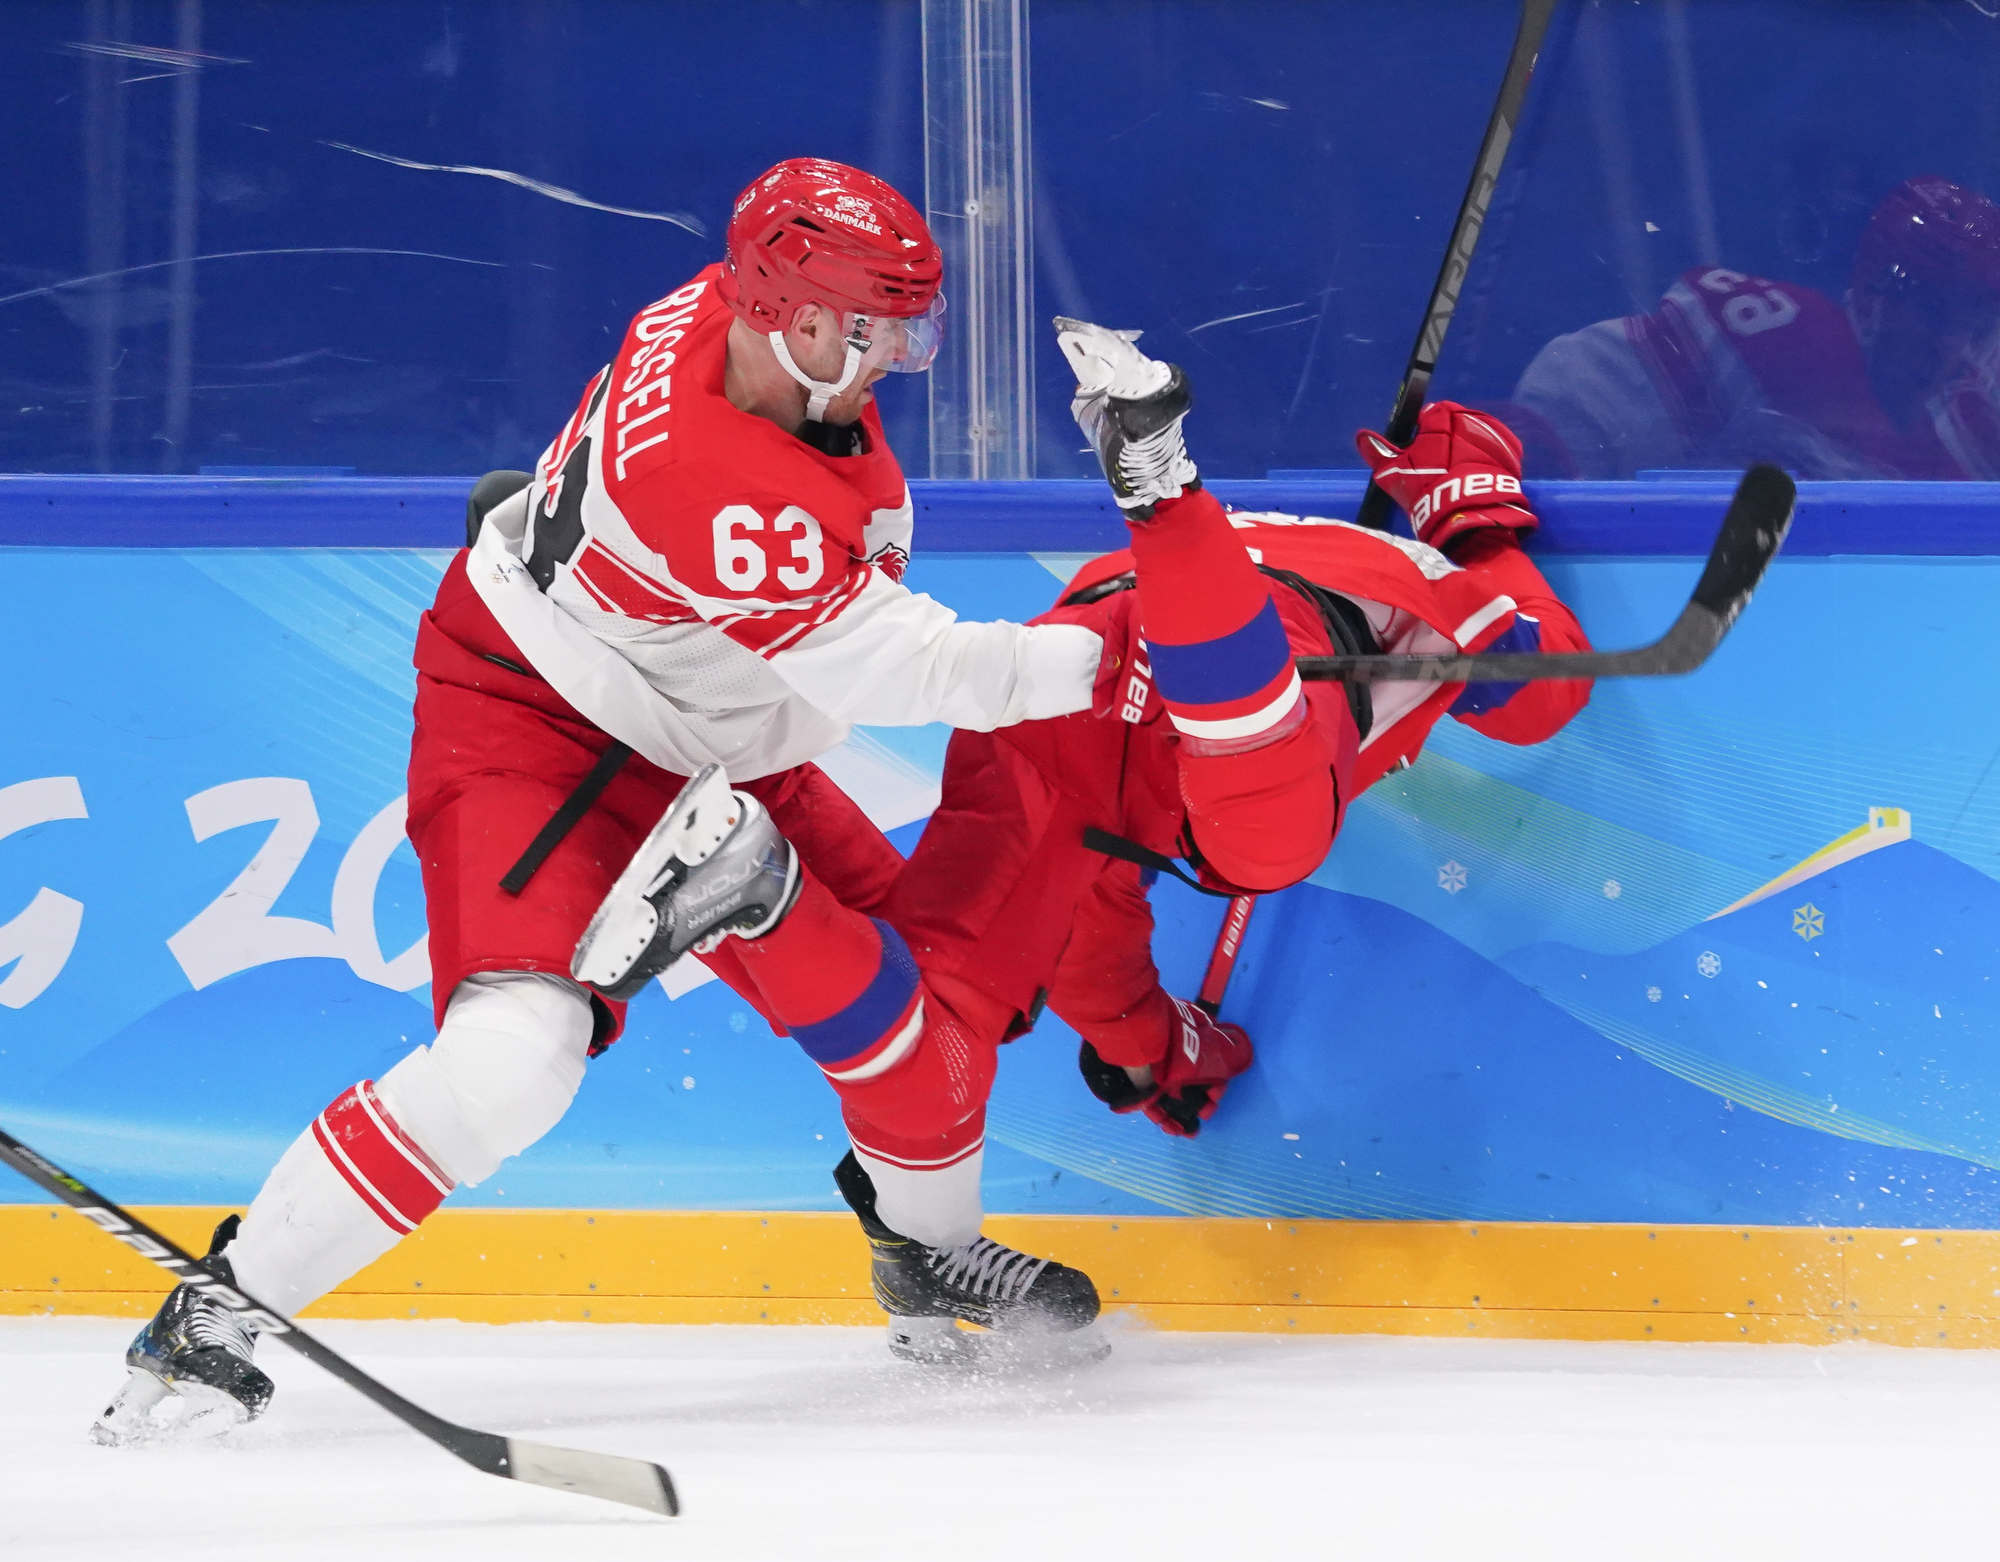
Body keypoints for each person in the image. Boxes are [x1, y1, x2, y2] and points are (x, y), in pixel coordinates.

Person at [95, 158, 1110, 1441]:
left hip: (708, 732)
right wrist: (1117, 662)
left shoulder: (720, 320)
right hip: (538, 725)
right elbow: (920, 666)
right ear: (786, 315)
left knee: (925, 1008)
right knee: (514, 1063)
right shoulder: (721, 478)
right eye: (871, 330)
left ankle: (920, 1248)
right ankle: (222, 1309)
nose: (890, 362)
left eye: (906, 328)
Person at [572, 318, 1594, 1362]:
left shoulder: (1367, 570)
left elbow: (1092, 967)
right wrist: (1481, 537)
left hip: (1070, 683)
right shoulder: (1415, 566)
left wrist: (1164, 1053)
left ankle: (910, 1229)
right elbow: (1546, 690)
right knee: (1263, 836)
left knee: (936, 1019)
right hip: (1240, 656)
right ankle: (1162, 489)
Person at [1509, 175, 2000, 479]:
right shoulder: (1781, 343)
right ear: (1871, 299)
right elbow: (1552, 425)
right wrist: (1490, 454)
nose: (1953, 349)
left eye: (1975, 322)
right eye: (1935, 313)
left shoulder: (1970, 423)